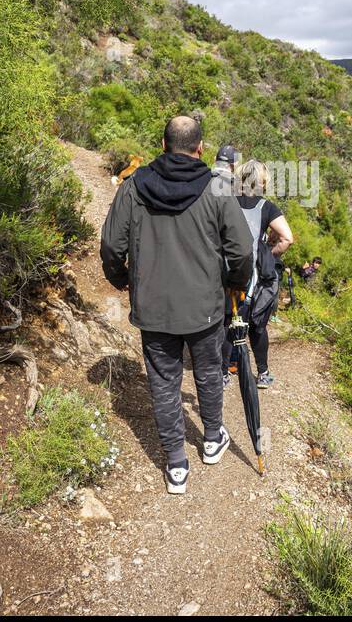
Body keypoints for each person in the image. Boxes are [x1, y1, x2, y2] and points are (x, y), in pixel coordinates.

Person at [100, 116, 254, 495]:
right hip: (204, 306)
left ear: (163, 143)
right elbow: (243, 250)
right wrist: (234, 284)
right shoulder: (218, 188)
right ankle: (213, 438)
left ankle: (175, 464)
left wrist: (123, 280)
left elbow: (110, 247)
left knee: (164, 383)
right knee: (207, 371)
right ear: (200, 148)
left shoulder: (134, 186)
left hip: (153, 307)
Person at [221, 159, 293, 389]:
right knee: (257, 324)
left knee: (226, 321)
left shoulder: (226, 201)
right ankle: (262, 373)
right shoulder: (267, 207)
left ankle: (223, 372)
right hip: (252, 275)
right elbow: (287, 238)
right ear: (262, 181)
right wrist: (268, 256)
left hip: (225, 270)